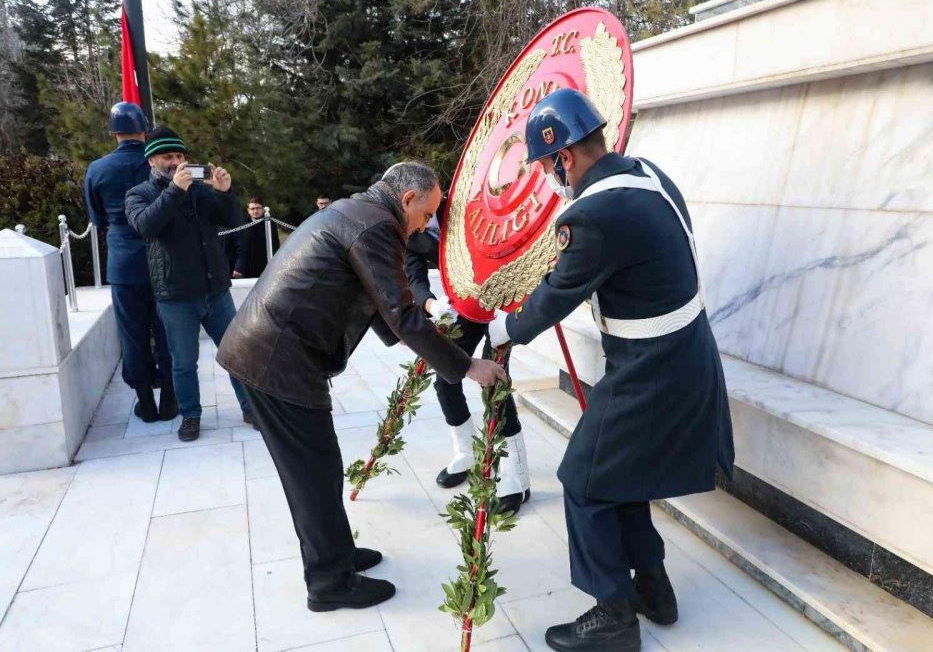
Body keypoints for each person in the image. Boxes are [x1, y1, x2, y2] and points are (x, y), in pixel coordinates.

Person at [487, 89, 735, 652]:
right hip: (681, 354)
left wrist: (504, 329)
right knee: (620, 476)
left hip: (653, 367)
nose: (549, 178)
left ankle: (614, 617)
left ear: (563, 157)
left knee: (584, 479)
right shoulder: (648, 175)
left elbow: (556, 295)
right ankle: (654, 590)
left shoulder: (592, 215)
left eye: (546, 167)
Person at [216, 162, 508, 613]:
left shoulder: (359, 212)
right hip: (276, 360)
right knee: (312, 475)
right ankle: (329, 583)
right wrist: (468, 366)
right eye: (426, 214)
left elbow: (378, 300)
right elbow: (401, 312)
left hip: (273, 351)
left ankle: (337, 554)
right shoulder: (377, 225)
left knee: (322, 468)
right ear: (407, 200)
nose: (426, 225)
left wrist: (414, 335)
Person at [125, 126, 256, 442]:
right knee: (183, 363)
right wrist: (174, 191)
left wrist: (225, 192)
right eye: (167, 156)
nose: (175, 161)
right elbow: (146, 226)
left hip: (215, 291)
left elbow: (233, 221)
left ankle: (251, 408)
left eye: (179, 155)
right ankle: (191, 416)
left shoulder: (199, 190)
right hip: (175, 294)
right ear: (151, 160)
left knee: (236, 353)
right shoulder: (139, 194)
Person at [404, 198, 530, 514]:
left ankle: (516, 476)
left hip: (503, 299)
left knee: (494, 382)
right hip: (466, 305)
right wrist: (431, 304)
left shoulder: (463, 201)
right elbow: (414, 276)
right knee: (446, 374)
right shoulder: (409, 227)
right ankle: (466, 452)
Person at [84, 102, 176, 423]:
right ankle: (170, 399)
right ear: (144, 130)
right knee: (167, 331)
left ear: (114, 133)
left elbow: (98, 219)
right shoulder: (159, 163)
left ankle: (145, 402)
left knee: (132, 335)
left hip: (124, 265)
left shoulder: (97, 169)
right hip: (164, 258)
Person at [233, 197, 279, 279]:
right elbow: (239, 247)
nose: (255, 211)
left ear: (263, 209)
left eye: (258, 208)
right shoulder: (242, 223)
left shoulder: (270, 223)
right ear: (248, 210)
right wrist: (238, 267)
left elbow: (275, 244)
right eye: (252, 208)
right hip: (247, 266)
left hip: (265, 263)